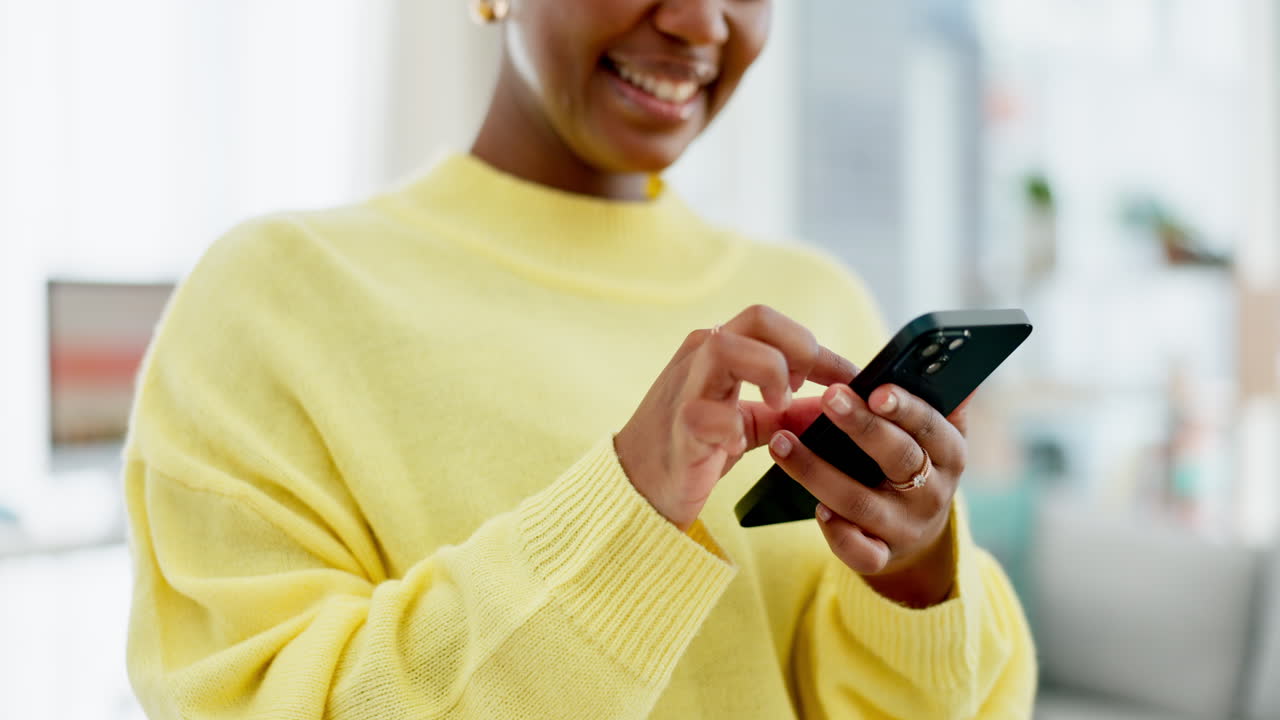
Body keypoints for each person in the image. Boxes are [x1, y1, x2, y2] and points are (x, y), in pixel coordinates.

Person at [124, 1, 1036, 718]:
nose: (699, 21)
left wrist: (914, 578)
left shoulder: (819, 296)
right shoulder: (276, 297)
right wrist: (624, 509)